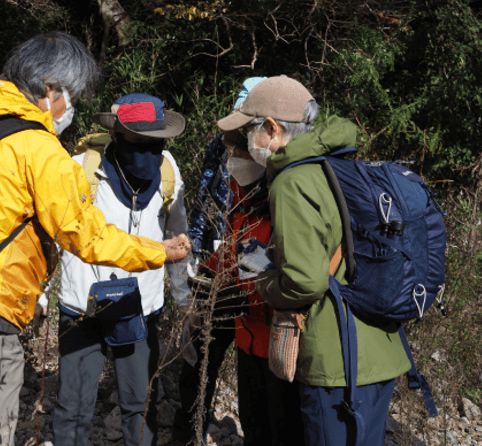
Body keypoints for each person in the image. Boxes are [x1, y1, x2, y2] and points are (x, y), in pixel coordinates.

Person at [0, 32, 191, 446]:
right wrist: (157, 252)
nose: (70, 107)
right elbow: (85, 236)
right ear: (50, 89)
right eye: (70, 95)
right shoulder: (39, 150)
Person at [217, 75, 411, 446]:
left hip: (334, 358)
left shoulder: (292, 180)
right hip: (378, 346)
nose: (246, 144)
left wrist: (263, 282)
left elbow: (305, 281)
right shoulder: (338, 164)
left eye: (249, 134)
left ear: (272, 128)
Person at [53, 93, 192, 446]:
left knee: (140, 404)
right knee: (73, 406)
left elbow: (178, 238)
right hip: (82, 307)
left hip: (141, 308)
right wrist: (38, 297)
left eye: (155, 142)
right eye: (137, 140)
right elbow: (55, 235)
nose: (147, 150)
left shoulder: (167, 171)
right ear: (115, 134)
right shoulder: (81, 168)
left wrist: (183, 295)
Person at [176, 77, 305, 446]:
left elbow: (299, 271)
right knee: (253, 423)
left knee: (280, 428)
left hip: (280, 342)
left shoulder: (291, 188)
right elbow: (238, 242)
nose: (233, 157)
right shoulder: (243, 185)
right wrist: (210, 273)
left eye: (241, 147)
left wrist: (247, 280)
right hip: (251, 335)